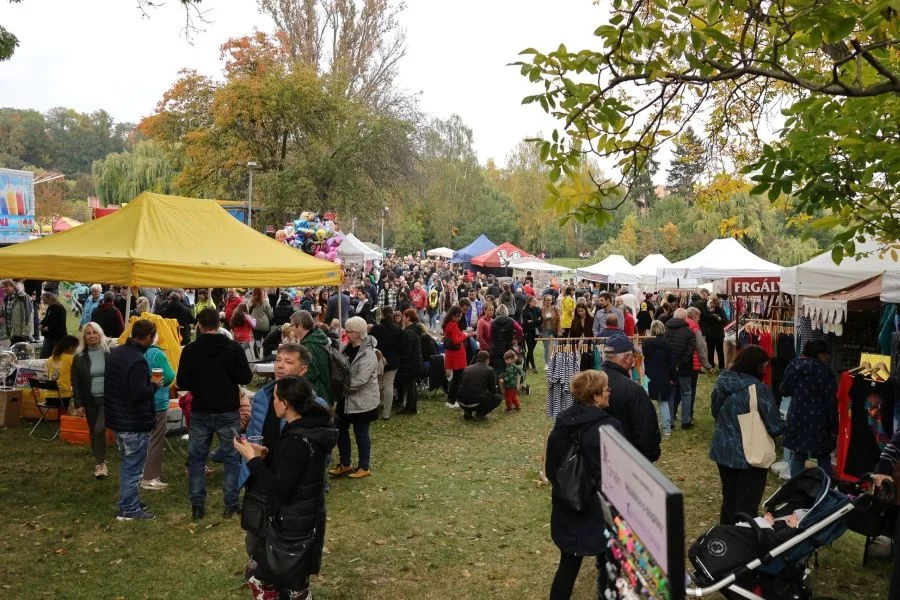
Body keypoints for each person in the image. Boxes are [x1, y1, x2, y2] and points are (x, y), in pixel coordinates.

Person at [235, 376, 337, 600]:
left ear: (285, 403)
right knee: (293, 582)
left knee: (271, 581)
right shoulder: (309, 429)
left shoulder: (298, 439)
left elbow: (279, 489)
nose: (272, 403)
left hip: (292, 523)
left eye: (274, 398)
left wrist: (253, 460)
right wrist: (267, 456)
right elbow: (295, 471)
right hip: (303, 517)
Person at [546, 369, 622, 600]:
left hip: (568, 502)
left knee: (568, 565)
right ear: (595, 396)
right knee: (609, 566)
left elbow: (552, 466)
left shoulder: (563, 422)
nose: (610, 392)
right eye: (606, 389)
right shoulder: (609, 427)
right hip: (599, 508)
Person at [177, 308, 254, 520]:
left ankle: (197, 506)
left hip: (201, 409)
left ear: (199, 325)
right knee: (231, 459)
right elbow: (245, 377)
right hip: (227, 409)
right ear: (219, 325)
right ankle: (231, 504)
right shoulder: (232, 348)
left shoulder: (190, 350)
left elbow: (182, 382)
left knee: (197, 460)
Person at [710, 344, 785, 525]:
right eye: (764, 365)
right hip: (749, 455)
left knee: (729, 499)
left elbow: (715, 411)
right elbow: (775, 425)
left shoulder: (722, 381)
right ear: (757, 365)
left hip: (723, 450)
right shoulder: (758, 389)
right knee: (747, 506)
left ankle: (725, 535)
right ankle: (742, 538)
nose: (766, 369)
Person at [104, 319, 162, 521]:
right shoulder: (137, 361)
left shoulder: (117, 353)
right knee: (133, 467)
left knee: (128, 462)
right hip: (133, 422)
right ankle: (128, 508)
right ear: (148, 337)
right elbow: (138, 394)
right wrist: (154, 385)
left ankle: (131, 500)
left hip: (118, 418)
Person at [328, 317, 379, 479]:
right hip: (346, 399)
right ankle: (345, 463)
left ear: (356, 333)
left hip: (362, 401)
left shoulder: (368, 354)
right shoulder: (348, 347)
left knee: (361, 432)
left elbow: (361, 380)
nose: (345, 333)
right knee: (340, 429)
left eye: (348, 331)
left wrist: (340, 387)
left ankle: (364, 466)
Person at [779, 339, 837, 478]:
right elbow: (831, 402)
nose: (828, 357)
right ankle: (825, 487)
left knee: (799, 455)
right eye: (826, 354)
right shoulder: (825, 372)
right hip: (819, 421)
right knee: (823, 456)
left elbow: (784, 390)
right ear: (820, 354)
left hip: (797, 417)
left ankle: (795, 486)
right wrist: (835, 426)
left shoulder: (793, 366)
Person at [600, 336, 661, 462]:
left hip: (598, 457)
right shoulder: (633, 390)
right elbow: (646, 429)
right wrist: (650, 455)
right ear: (627, 357)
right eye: (633, 356)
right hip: (628, 459)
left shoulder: (591, 383)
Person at [72, 322, 111, 479]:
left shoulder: (109, 353)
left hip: (107, 399)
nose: (92, 335)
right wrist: (79, 404)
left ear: (100, 334)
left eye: (95, 332)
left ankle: (101, 465)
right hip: (89, 400)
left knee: (100, 429)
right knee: (93, 431)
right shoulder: (79, 358)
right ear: (84, 337)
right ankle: (99, 460)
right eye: (88, 333)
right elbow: (75, 382)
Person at [140, 337, 176, 491]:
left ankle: (139, 473)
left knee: (141, 439)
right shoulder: (157, 354)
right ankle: (150, 477)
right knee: (155, 440)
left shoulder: (134, 352)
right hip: (157, 400)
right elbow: (169, 376)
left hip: (138, 401)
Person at [642, 321, 677, 437]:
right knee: (663, 403)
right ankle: (667, 429)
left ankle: (647, 427)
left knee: (647, 402)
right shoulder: (667, 344)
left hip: (650, 376)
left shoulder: (646, 343)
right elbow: (672, 363)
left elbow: (645, 359)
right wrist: (672, 378)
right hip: (664, 376)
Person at [664, 308, 697, 430]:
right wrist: (680, 364)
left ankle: (670, 421)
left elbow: (664, 349)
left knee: (671, 394)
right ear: (685, 318)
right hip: (685, 368)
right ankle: (686, 421)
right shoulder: (689, 332)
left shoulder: (666, 330)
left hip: (669, 368)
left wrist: (672, 365)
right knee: (686, 393)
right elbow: (689, 351)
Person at [370, 307, 402, 419]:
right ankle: (386, 413)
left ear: (382, 315)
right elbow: (400, 346)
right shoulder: (398, 329)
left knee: (377, 385)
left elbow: (370, 344)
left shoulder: (376, 328)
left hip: (378, 360)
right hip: (393, 361)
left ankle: (376, 408)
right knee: (389, 386)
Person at [456, 351, 502, 421]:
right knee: (497, 397)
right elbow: (493, 390)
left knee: (471, 391)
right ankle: (480, 414)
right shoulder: (490, 370)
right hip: (475, 403)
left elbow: (461, 384)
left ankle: (467, 412)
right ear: (487, 359)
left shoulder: (467, 368)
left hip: (461, 402)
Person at [442, 306, 473, 409]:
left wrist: (464, 334)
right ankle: (451, 400)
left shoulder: (448, 324)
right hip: (457, 356)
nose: (459, 318)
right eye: (458, 316)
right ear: (452, 315)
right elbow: (456, 341)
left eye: (460, 316)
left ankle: (452, 399)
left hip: (453, 355)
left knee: (456, 378)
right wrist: (465, 335)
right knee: (457, 379)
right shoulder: (453, 325)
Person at [396, 309, 423, 415]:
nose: (402, 319)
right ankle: (411, 407)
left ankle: (411, 408)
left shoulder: (409, 332)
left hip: (410, 363)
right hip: (415, 362)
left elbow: (407, 351)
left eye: (404, 316)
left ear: (408, 318)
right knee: (411, 386)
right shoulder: (414, 329)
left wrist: (401, 359)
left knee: (410, 386)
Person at [45, 335, 78, 415]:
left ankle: (61, 419)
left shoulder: (50, 359)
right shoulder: (71, 358)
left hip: (49, 397)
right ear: (71, 347)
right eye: (76, 348)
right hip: (64, 397)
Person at [489, 304, 523, 378]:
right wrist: (516, 339)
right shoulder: (511, 320)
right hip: (508, 347)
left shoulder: (493, 322)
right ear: (506, 311)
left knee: (498, 370)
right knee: (508, 368)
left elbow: (490, 335)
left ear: (497, 312)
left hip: (496, 348)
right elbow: (520, 329)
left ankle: (498, 384)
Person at [1, 279, 34, 344]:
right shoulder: (6, 298)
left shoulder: (23, 297)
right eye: (3, 287)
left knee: (19, 349)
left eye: (6, 286)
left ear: (13, 286)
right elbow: (3, 313)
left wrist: (26, 332)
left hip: (20, 333)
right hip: (11, 332)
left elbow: (28, 316)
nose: (4, 289)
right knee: (15, 349)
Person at [38, 292, 67, 359]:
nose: (43, 302)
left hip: (58, 337)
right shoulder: (50, 307)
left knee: (56, 356)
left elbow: (60, 323)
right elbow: (46, 318)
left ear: (49, 298)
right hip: (49, 336)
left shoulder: (60, 308)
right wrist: (41, 324)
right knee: (44, 354)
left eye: (44, 300)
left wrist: (49, 328)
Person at [704, 297, 728, 370]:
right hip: (718, 334)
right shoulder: (721, 311)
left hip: (710, 334)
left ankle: (711, 367)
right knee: (720, 352)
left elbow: (705, 321)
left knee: (710, 352)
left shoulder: (708, 311)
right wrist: (719, 319)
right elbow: (725, 321)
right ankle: (721, 367)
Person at [522, 295, 541, 373]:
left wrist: (532, 321)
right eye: (533, 301)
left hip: (535, 331)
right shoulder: (525, 310)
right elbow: (524, 322)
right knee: (530, 348)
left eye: (535, 301)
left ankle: (526, 363)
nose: (535, 302)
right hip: (527, 332)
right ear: (529, 302)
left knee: (531, 349)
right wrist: (535, 321)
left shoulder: (537, 309)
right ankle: (533, 366)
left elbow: (541, 320)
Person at [540, 294, 560, 362]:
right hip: (545, 330)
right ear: (544, 301)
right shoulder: (541, 309)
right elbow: (540, 320)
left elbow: (559, 320)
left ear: (552, 301)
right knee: (546, 347)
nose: (548, 301)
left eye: (550, 300)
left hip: (554, 330)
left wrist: (559, 330)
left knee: (554, 347)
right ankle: (547, 363)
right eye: (547, 300)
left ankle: (554, 362)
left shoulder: (555, 309)